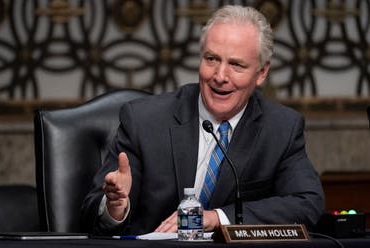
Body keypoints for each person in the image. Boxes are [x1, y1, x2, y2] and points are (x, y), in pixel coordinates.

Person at [81, 5, 325, 235]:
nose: (220, 76)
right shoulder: (143, 121)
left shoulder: (280, 128)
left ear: (262, 73)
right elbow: (91, 211)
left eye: (236, 65)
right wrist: (115, 208)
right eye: (212, 59)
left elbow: (308, 203)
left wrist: (217, 218)